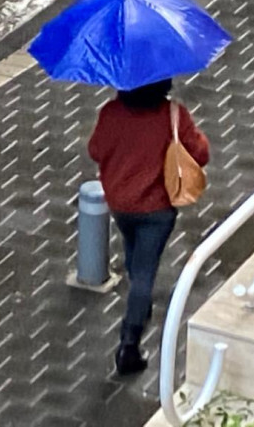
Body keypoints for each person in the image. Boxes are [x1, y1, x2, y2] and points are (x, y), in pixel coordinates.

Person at [88, 79, 209, 375]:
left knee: (134, 254)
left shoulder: (111, 113)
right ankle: (130, 342)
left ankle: (139, 305)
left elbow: (95, 150)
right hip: (157, 209)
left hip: (121, 205)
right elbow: (201, 154)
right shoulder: (173, 116)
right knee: (144, 274)